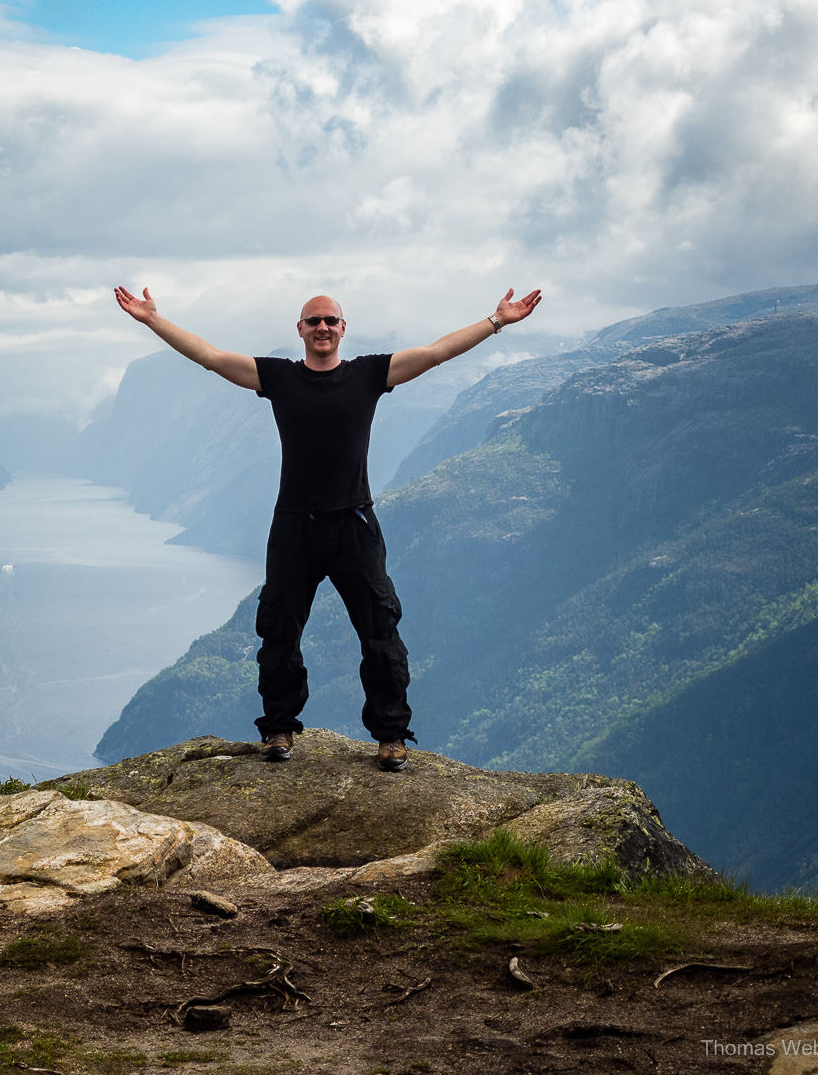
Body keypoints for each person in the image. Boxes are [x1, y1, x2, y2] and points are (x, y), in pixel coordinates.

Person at [113, 286, 542, 771]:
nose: (322, 328)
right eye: (313, 321)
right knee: (279, 631)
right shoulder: (277, 377)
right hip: (294, 526)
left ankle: (392, 737)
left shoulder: (369, 375)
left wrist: (497, 320)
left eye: (330, 321)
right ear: (300, 329)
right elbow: (210, 356)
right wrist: (154, 320)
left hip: (354, 525)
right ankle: (278, 730)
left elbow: (438, 352)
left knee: (380, 631)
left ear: (343, 329)